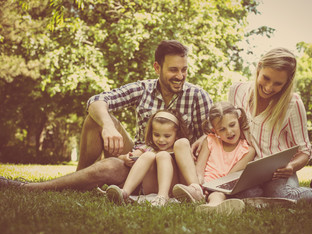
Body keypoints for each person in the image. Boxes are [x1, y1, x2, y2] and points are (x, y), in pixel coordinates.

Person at [0, 40, 212, 191]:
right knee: (96, 117)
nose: (180, 76)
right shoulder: (143, 88)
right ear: (157, 67)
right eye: (174, 70)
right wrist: (108, 126)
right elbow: (96, 100)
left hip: (171, 167)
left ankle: (30, 188)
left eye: (184, 70)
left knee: (110, 166)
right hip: (139, 156)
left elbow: (213, 136)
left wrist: (203, 138)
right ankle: (80, 179)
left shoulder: (197, 96)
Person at [225, 47, 312, 201]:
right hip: (246, 170)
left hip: (278, 172)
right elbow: (228, 123)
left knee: (280, 195)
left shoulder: (292, 104)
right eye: (266, 78)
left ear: (287, 82)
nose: (269, 87)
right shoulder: (237, 91)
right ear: (259, 67)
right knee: (246, 195)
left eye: (278, 83)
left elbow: (305, 151)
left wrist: (291, 167)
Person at [171, 102, 256, 214]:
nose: (229, 132)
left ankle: (212, 207)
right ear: (215, 131)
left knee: (217, 195)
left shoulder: (247, 150)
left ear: (239, 121)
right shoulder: (210, 140)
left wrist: (212, 188)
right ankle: (196, 191)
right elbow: (200, 168)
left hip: (220, 187)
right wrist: (200, 183)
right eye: (222, 129)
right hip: (199, 182)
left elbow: (230, 177)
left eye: (232, 125)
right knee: (181, 143)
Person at [106, 109, 191, 207]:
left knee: (163, 155)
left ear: (176, 135)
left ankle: (163, 196)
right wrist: (125, 158)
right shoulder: (148, 148)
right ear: (151, 133)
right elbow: (124, 157)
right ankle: (125, 192)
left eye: (167, 136)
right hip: (149, 187)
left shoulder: (178, 149)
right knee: (148, 155)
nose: (161, 140)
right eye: (156, 135)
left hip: (171, 188)